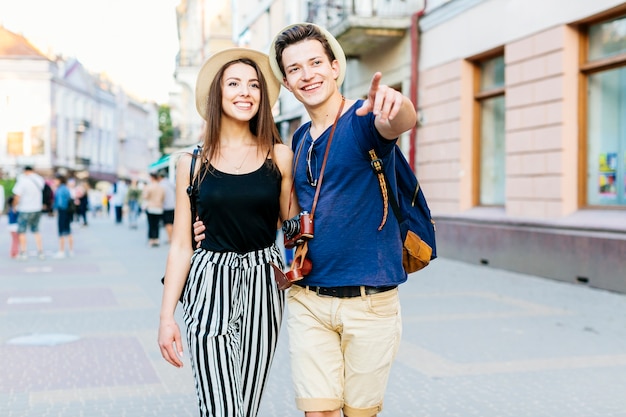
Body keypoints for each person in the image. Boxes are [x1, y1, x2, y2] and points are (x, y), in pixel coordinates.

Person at [194, 23, 418, 417]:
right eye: (294, 69)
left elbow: (396, 124)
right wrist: (213, 224)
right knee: (319, 413)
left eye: (315, 62)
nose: (307, 74)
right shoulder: (296, 141)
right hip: (307, 298)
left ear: (334, 67)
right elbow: (285, 213)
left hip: (370, 302)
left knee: (360, 414)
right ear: (288, 82)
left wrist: (396, 106)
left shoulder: (365, 119)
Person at [157, 47, 297, 417]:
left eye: (254, 85)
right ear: (218, 94)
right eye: (233, 83)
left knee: (245, 408)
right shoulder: (191, 162)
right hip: (209, 283)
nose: (245, 92)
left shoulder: (279, 156)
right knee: (222, 409)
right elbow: (181, 246)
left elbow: (291, 224)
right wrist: (166, 317)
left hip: (263, 286)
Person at [12, 165, 46, 260]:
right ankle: (40, 252)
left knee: (22, 231)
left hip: (24, 209)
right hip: (37, 208)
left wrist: (14, 206)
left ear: (25, 171)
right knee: (36, 230)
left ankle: (23, 252)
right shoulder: (39, 179)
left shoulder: (23, 180)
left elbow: (17, 195)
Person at [52, 175, 74, 258]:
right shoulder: (66, 188)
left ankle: (61, 251)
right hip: (68, 211)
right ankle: (71, 250)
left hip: (63, 211)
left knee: (61, 231)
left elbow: (60, 202)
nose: (54, 182)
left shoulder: (60, 189)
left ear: (59, 180)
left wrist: (55, 209)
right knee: (68, 231)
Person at [142, 173, 165, 247]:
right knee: (157, 224)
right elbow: (163, 198)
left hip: (151, 207)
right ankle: (156, 239)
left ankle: (151, 239)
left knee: (151, 224)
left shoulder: (149, 187)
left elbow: (145, 197)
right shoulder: (161, 187)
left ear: (152, 178)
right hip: (159, 208)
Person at [158, 172, 176, 243]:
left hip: (166, 206)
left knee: (168, 223)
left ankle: (170, 238)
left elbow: (161, 197)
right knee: (172, 222)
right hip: (173, 205)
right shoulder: (170, 183)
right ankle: (172, 237)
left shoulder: (161, 185)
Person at [7, 194, 19, 259]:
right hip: (15, 227)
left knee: (14, 240)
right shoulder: (14, 208)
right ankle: (15, 252)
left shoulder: (9, 208)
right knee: (16, 240)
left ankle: (13, 252)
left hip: (11, 227)